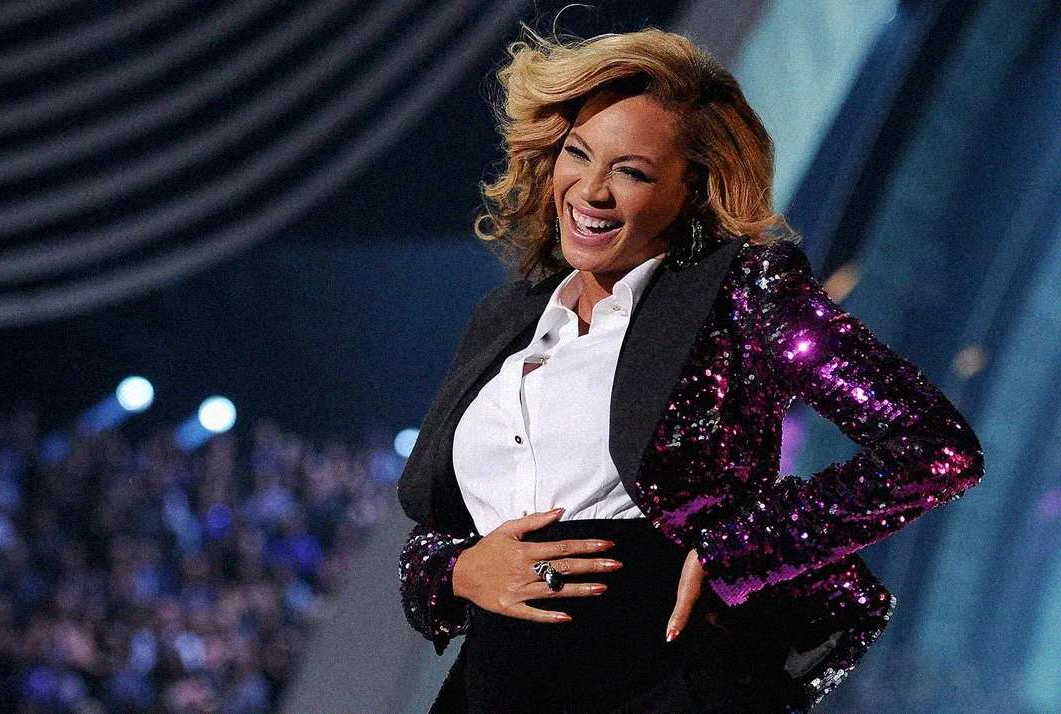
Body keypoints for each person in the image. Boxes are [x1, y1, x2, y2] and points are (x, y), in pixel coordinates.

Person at [397, 25, 984, 713]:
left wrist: (743, 547)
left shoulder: (740, 295)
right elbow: (436, 524)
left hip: (663, 684)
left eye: (632, 171)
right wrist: (458, 570)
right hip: (492, 690)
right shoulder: (508, 318)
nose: (591, 191)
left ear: (693, 189)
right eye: (577, 154)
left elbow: (936, 448)